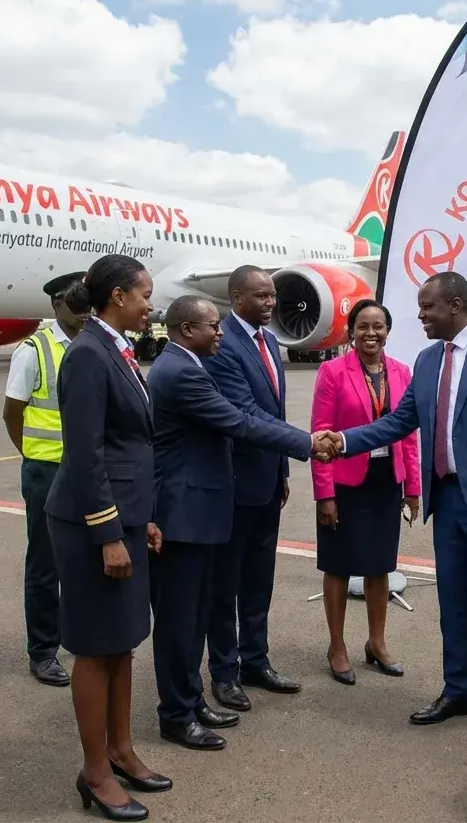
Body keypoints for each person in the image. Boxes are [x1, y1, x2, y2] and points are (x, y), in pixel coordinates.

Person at [321, 272, 467, 726]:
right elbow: (398, 421)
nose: (421, 315)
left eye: (428, 307)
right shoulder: (427, 360)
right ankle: (458, 690)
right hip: (446, 498)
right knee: (453, 598)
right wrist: (343, 442)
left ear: (456, 305)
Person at [149, 295, 328, 752]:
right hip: (184, 515)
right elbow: (239, 421)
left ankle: (191, 701)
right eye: (213, 326)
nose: (220, 333)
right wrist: (308, 443)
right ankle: (176, 715)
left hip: (200, 510)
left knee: (194, 618)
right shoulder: (182, 372)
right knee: (180, 622)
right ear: (187, 330)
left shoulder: (187, 364)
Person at [44, 255, 170, 821]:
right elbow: (85, 454)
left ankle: (121, 750)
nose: (150, 305)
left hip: (124, 518)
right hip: (91, 525)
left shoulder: (115, 348)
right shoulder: (88, 355)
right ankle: (95, 772)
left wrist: (141, 518)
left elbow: (130, 446)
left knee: (123, 640)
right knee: (97, 647)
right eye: (145, 295)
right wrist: (108, 534)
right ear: (118, 296)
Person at [202, 265, 300, 711]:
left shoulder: (270, 341)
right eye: (261, 296)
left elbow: (275, 410)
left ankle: (255, 662)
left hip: (267, 481)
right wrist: (303, 444)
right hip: (234, 484)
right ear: (237, 298)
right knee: (226, 586)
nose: (271, 303)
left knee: (259, 582)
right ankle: (224, 673)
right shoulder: (222, 344)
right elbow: (244, 414)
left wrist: (282, 471)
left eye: (273, 295)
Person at [310, 299, 421, 685]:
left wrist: (412, 487)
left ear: (387, 331)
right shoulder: (332, 371)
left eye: (378, 326)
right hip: (344, 484)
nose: (371, 333)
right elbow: (321, 435)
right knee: (338, 566)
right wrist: (324, 493)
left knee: (380, 566)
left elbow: (409, 435)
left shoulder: (402, 372)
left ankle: (377, 642)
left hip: (385, 482)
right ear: (351, 331)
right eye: (363, 326)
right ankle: (337, 647)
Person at [1, 271, 90, 687]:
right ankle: (42, 650)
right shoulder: (33, 351)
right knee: (45, 564)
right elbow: (12, 413)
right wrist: (33, 456)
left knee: (89, 559)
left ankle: (82, 636)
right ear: (56, 304)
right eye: (76, 302)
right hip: (49, 473)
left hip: (89, 470)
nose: (85, 310)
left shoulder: (99, 344)